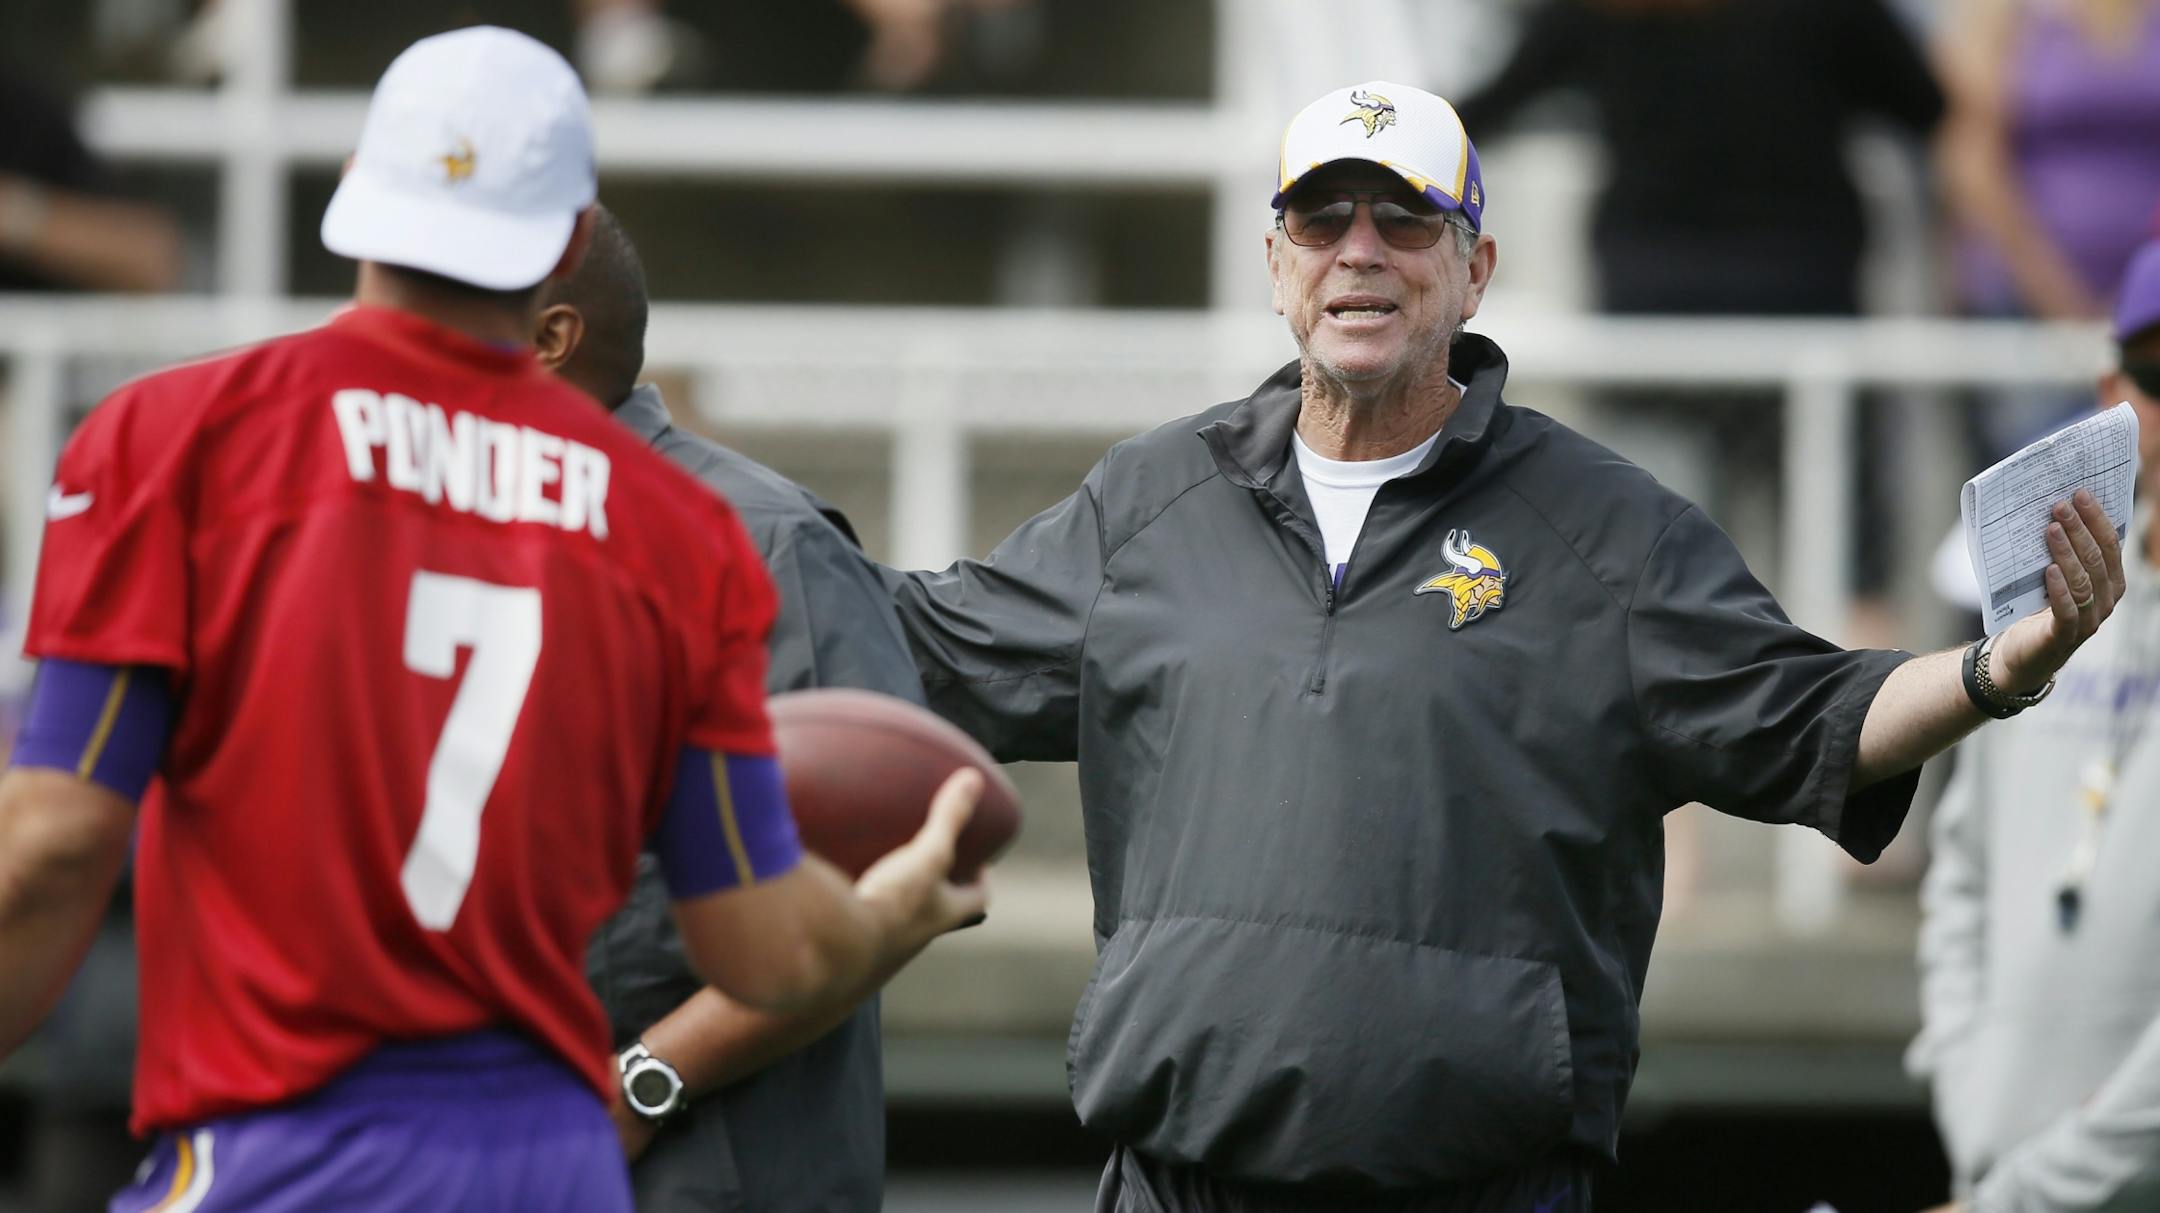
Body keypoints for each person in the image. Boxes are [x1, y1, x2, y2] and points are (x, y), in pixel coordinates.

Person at [883, 81, 2127, 1212]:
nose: (1358, 252)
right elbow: (926, 640)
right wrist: (712, 523)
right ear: (1275, 264)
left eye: (1403, 221)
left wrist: (1991, 671)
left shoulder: (1602, 527)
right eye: (1322, 222)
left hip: (1482, 1186)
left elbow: (1816, 714)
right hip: (1177, 1180)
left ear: (1475, 268)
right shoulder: (1151, 499)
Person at [0, 26, 984, 1212]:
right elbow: (762, 938)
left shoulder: (172, 439)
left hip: (292, 1147)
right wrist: (883, 913)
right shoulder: (681, 532)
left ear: (355, 198)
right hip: (550, 1168)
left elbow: (53, 846)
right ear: (566, 236)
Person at [535, 205, 910, 1212]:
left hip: (696, 1174)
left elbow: (883, 887)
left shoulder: (766, 545)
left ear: (548, 338)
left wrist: (643, 1085)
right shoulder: (431, 531)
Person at [1907, 239, 2160, 1213]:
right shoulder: (2051, 600)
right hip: (1994, 1166)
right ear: (2112, 389)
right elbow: (1962, 865)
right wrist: (1969, 1092)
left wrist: (2024, 1195)